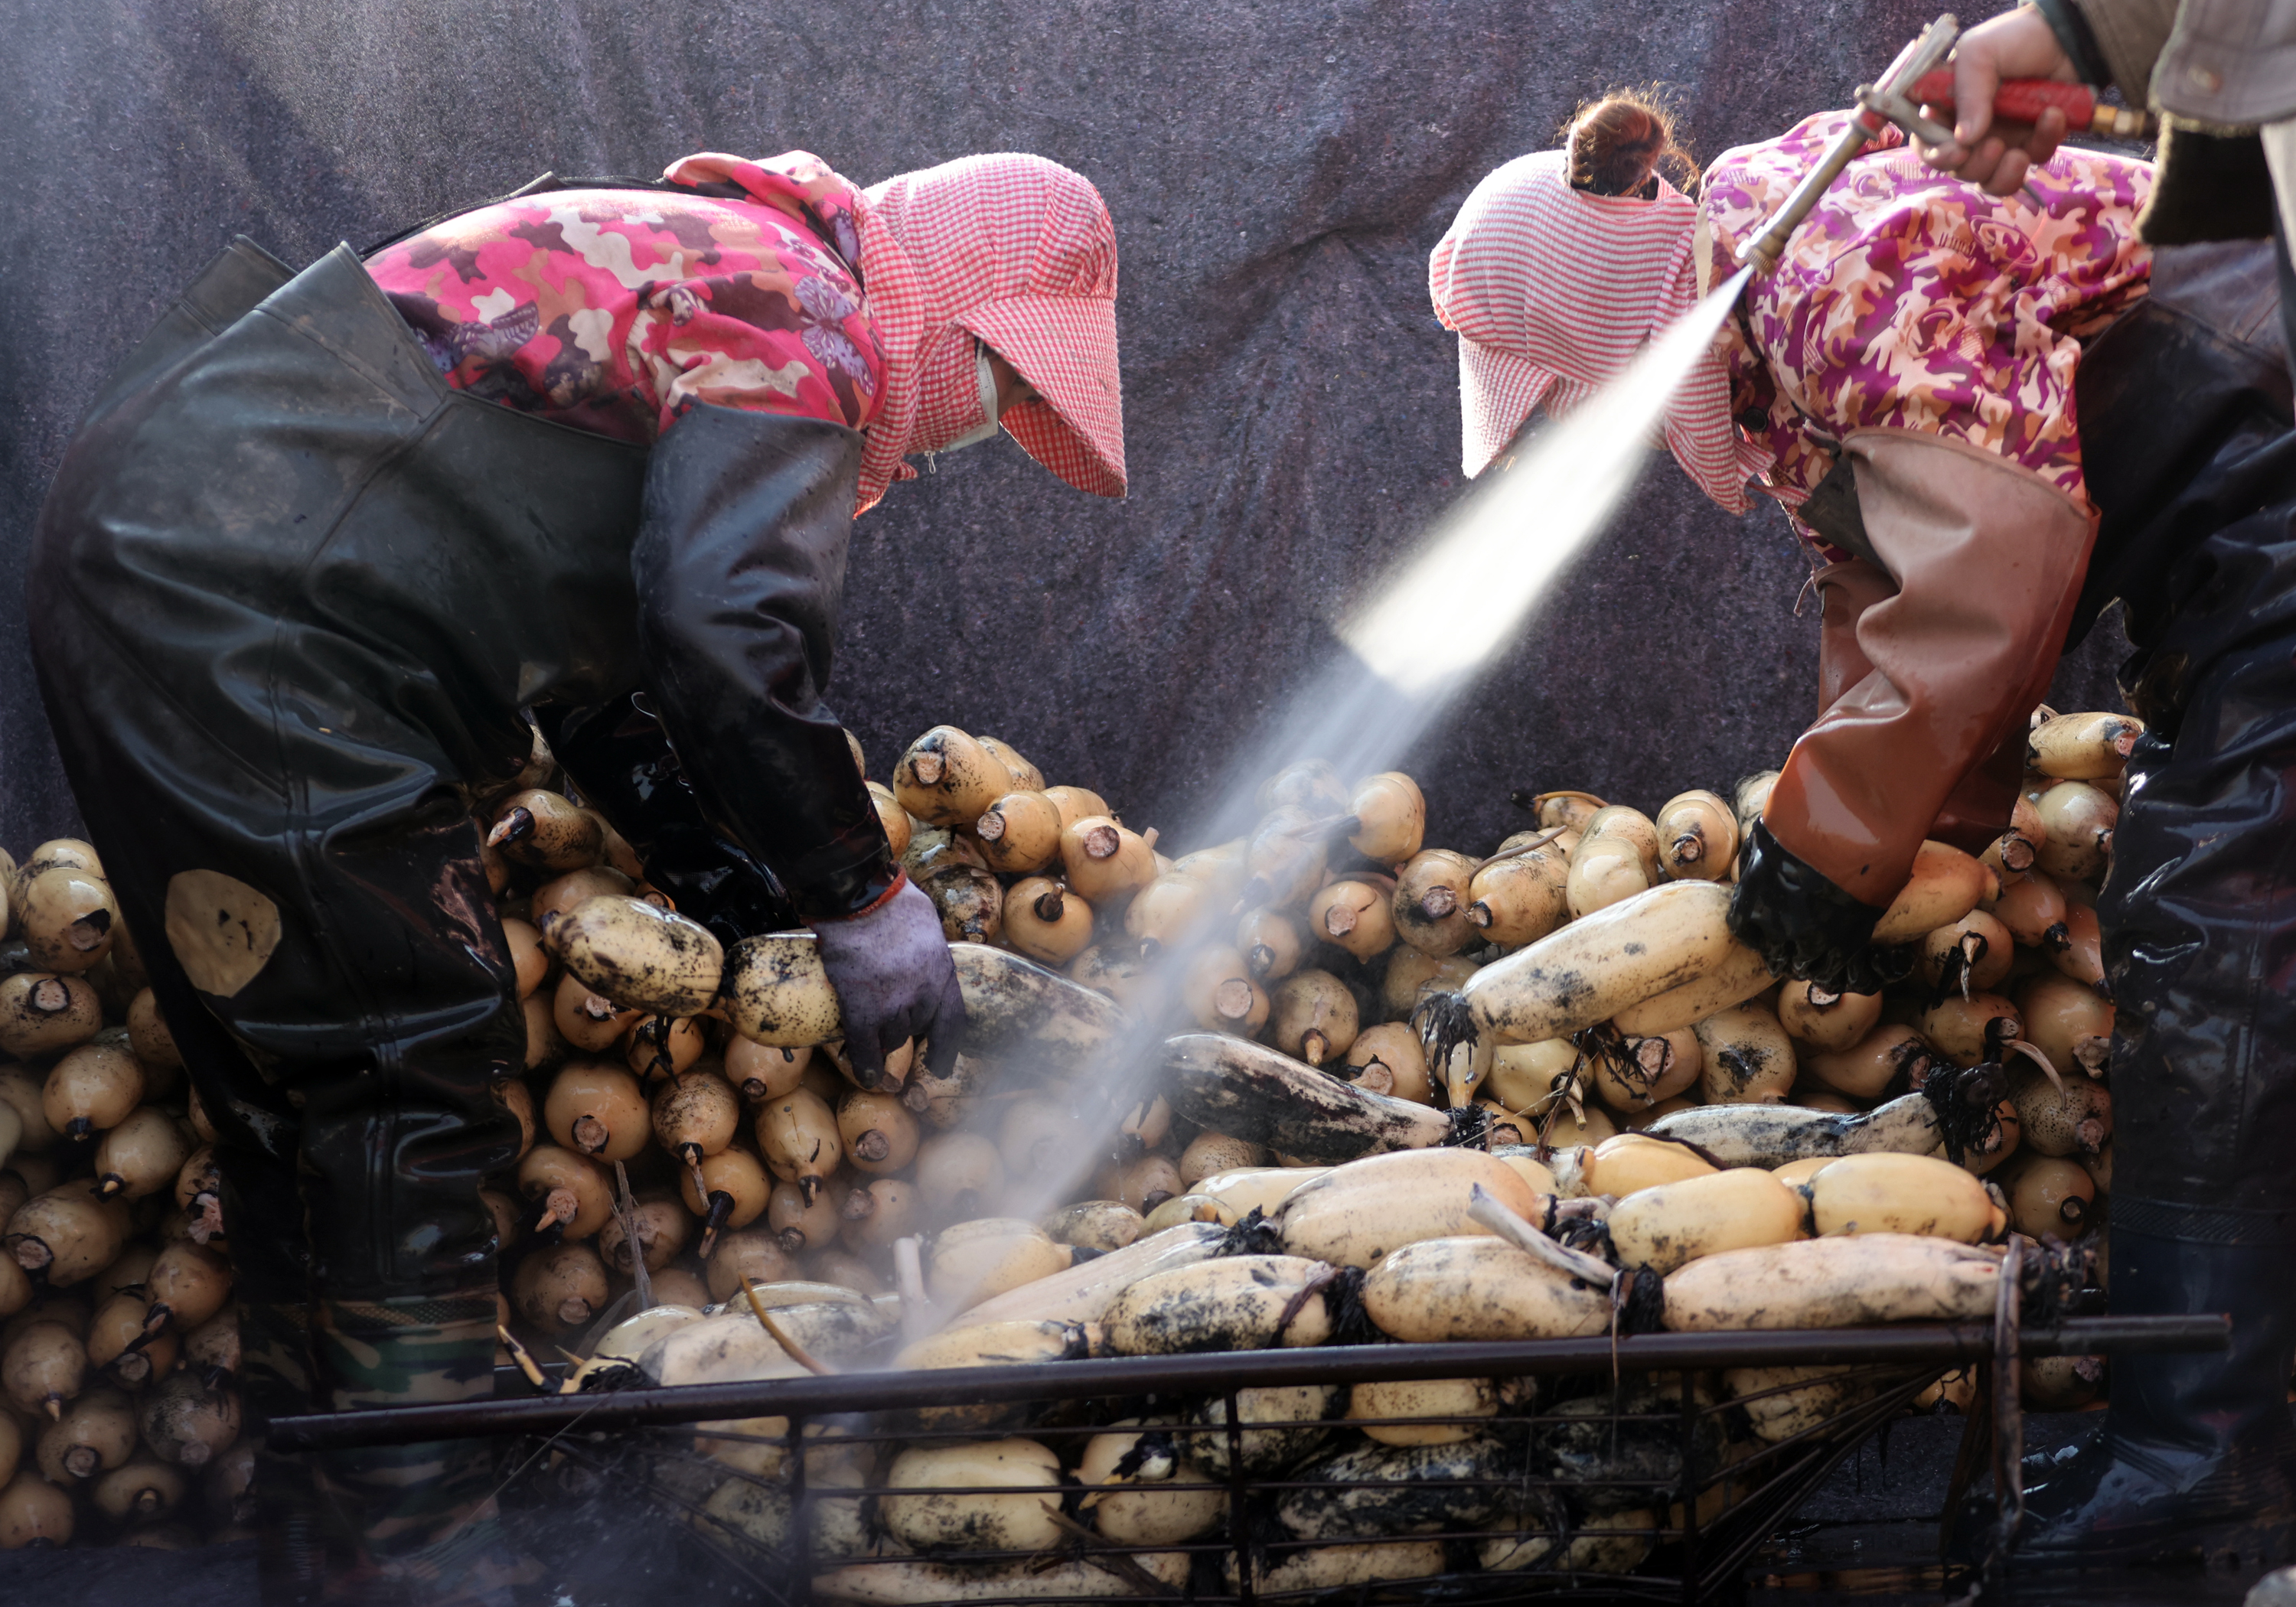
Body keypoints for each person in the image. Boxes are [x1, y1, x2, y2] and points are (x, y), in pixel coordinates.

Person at [28, 147, 1124, 1603]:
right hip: (265, 613)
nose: (971, 431)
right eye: (1001, 386)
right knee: (410, 1066)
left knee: (295, 1098)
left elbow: (611, 678)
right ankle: (422, 1556)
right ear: (958, 307)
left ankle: (320, 1535)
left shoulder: (709, 266)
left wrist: (730, 885)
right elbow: (731, 637)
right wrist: (863, 900)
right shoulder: (802, 312)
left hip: (157, 560)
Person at [1433, 57, 2294, 1568]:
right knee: (2198, 918)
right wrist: (1908, 858)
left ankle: (2197, 1469)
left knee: (2215, 949)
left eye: (1566, 392)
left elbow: (1994, 568)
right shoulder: (1779, 289)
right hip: (2234, 551)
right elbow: (1886, 591)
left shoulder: (1819, 261)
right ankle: (2183, 1426)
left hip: (2271, 490)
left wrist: (1828, 848)